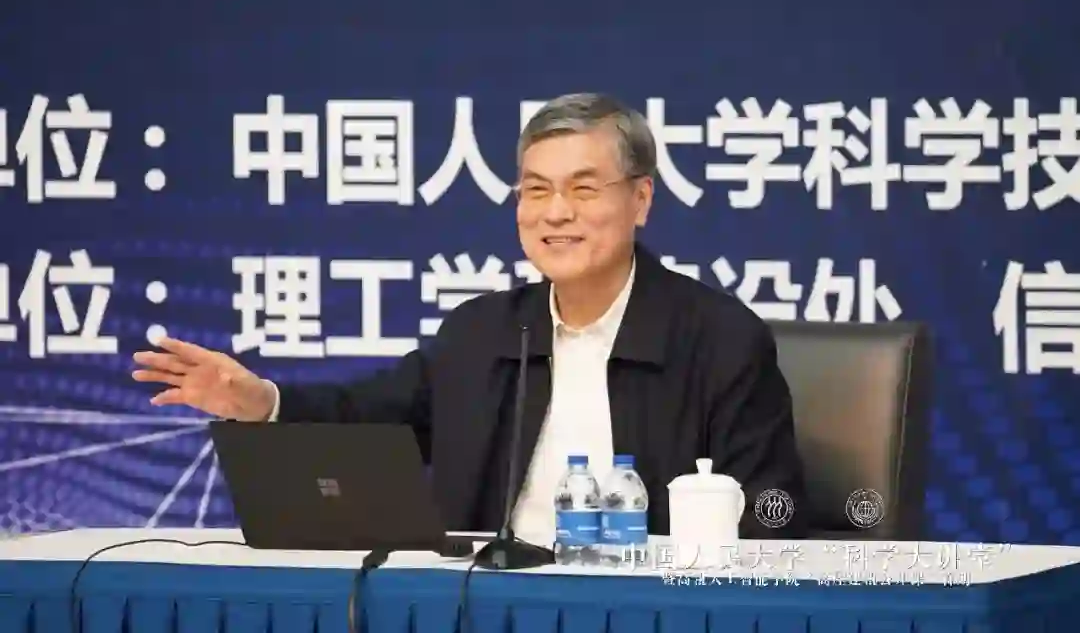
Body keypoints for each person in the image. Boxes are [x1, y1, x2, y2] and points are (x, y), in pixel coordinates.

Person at [132, 92, 808, 545]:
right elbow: (371, 419)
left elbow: (770, 520)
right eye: (536, 190)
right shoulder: (483, 335)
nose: (556, 212)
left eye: (583, 189)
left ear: (641, 200)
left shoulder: (720, 340)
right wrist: (263, 402)